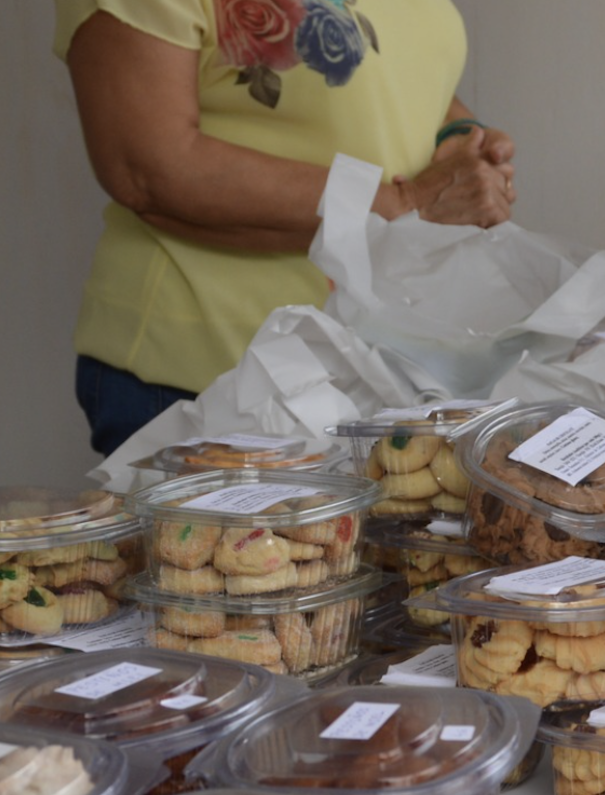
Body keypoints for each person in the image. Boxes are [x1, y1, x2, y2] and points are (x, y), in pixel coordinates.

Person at [55, 0, 517, 454]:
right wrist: (405, 202)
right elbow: (147, 168)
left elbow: (398, 77)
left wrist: (459, 137)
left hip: (383, 364)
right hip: (213, 366)